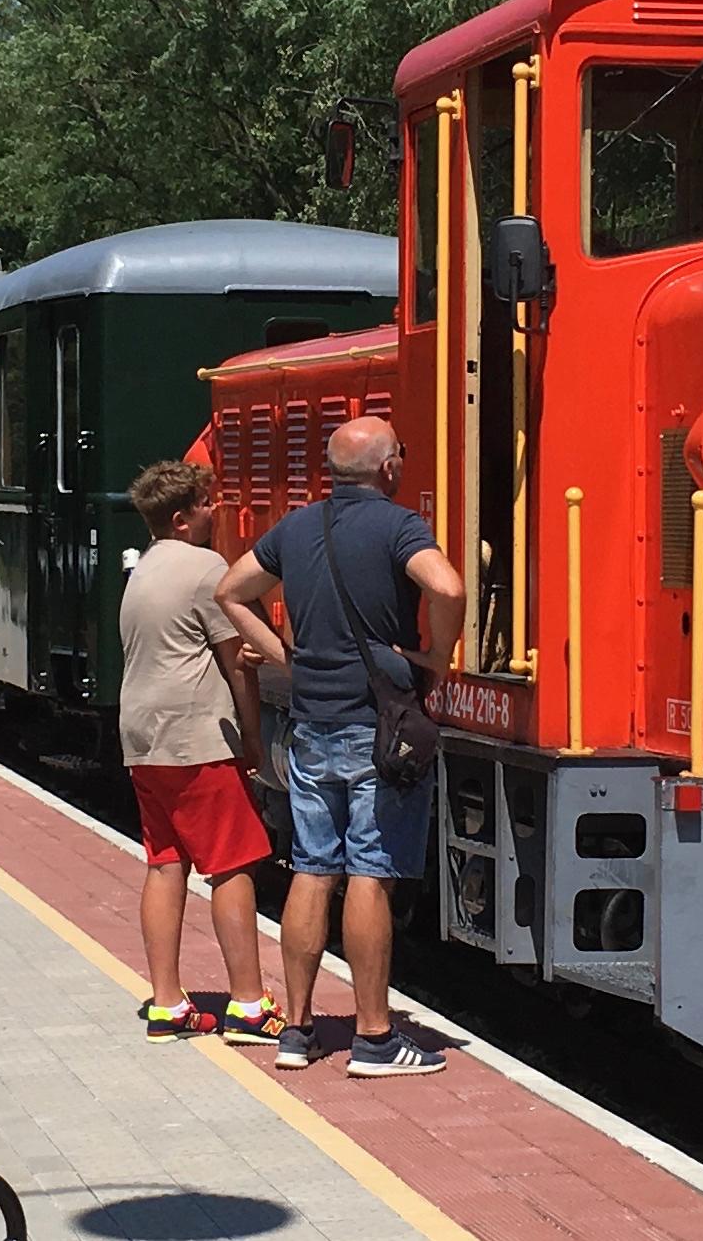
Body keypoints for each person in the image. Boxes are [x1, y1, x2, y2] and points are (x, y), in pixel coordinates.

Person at [218, 414, 465, 1077]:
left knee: (312, 867)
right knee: (370, 872)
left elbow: (230, 591)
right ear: (388, 467)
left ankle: (296, 1031)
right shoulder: (398, 525)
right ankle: (376, 1038)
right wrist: (436, 656)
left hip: (311, 723)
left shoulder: (298, 526)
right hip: (374, 725)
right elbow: (447, 585)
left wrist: (285, 655)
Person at [116, 459, 278, 1043]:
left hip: (142, 736)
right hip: (195, 738)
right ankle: (249, 1005)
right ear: (183, 518)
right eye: (209, 504)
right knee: (232, 865)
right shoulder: (208, 567)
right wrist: (254, 736)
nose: (217, 511)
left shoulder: (144, 568)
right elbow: (237, 659)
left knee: (165, 863)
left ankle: (166, 1004)